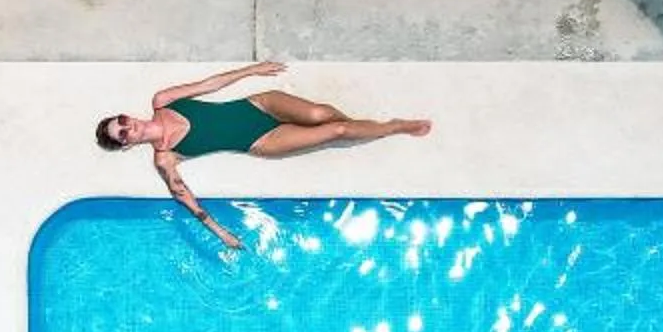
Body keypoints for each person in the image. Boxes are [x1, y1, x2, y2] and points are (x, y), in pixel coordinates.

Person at [96, 61, 429, 249]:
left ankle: (356, 126)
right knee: (337, 132)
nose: (129, 127)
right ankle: (392, 127)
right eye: (122, 134)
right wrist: (221, 233)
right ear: (127, 145)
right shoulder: (165, 156)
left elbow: (209, 84)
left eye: (122, 121)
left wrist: (252, 70)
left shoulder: (162, 101)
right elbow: (186, 198)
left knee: (321, 114)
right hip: (263, 140)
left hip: (259, 104)